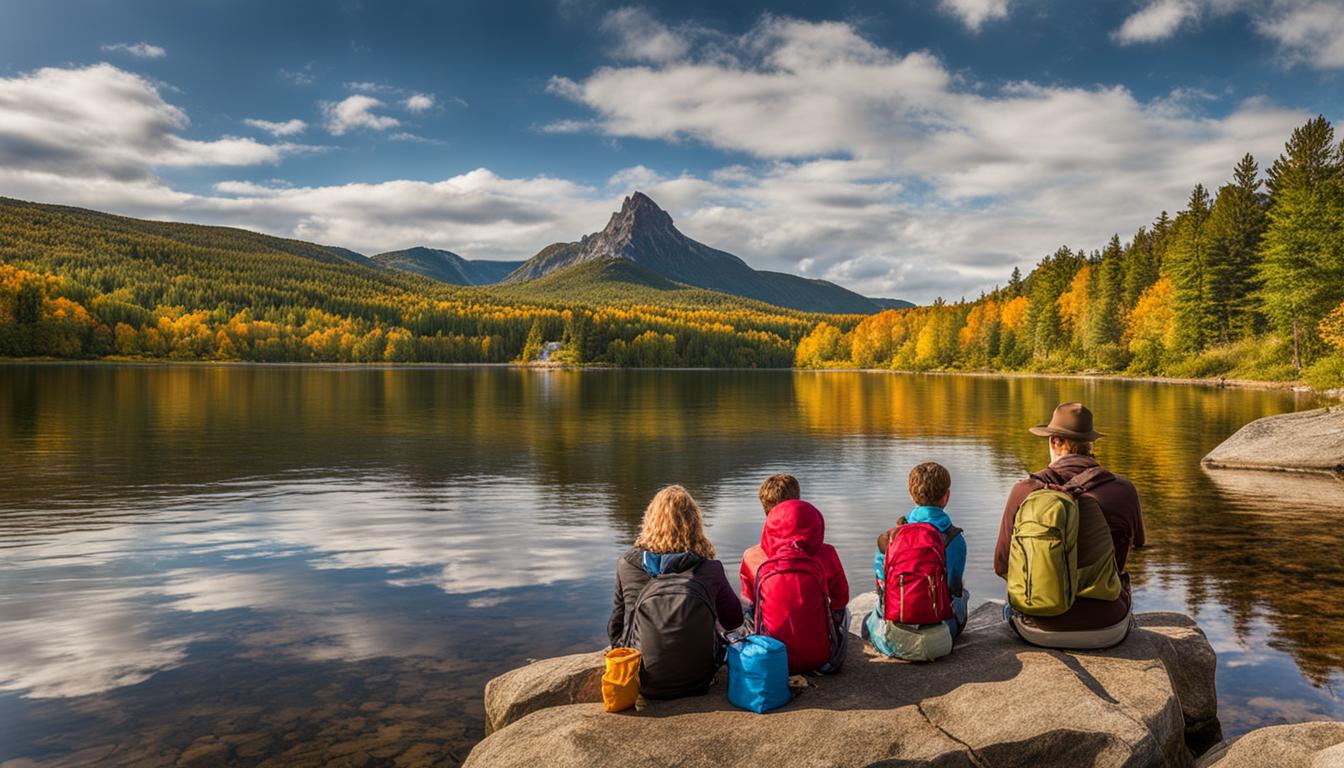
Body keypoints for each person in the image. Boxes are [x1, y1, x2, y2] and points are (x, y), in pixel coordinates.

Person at [994, 402, 1146, 649]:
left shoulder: (1025, 491)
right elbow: (1136, 545)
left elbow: (1001, 565)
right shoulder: (1124, 490)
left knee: (1010, 602)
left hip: (1036, 628)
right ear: (1090, 443)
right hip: (1107, 627)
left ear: (1055, 442)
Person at [608, 485, 744, 698]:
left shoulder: (627, 564)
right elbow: (734, 620)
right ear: (694, 523)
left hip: (642, 678)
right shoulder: (710, 568)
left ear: (649, 521)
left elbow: (616, 627)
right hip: (700, 678)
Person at [740, 474, 850, 674]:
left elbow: (748, 603)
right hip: (821, 658)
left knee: (747, 608)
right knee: (846, 611)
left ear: (766, 510)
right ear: (799, 505)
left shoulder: (751, 556)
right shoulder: (827, 553)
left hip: (771, 657)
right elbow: (841, 600)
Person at [866, 462, 969, 660]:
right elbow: (952, 589)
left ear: (911, 494)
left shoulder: (892, 537)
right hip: (942, 632)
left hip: (895, 634)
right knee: (962, 594)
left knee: (869, 618)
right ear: (946, 496)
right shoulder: (955, 539)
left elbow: (881, 583)